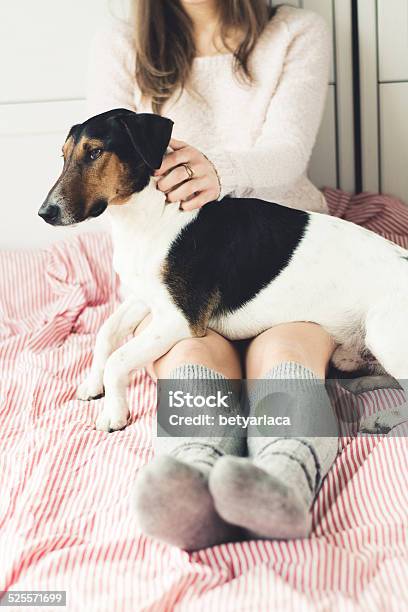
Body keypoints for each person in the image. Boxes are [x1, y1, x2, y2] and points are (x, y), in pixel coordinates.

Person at [87, 0, 338, 550]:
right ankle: (193, 484)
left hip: (282, 256)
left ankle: (284, 483)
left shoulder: (295, 31)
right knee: (192, 359)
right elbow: (100, 176)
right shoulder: (124, 42)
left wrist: (220, 170)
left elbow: (288, 151)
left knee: (286, 355)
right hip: (180, 268)